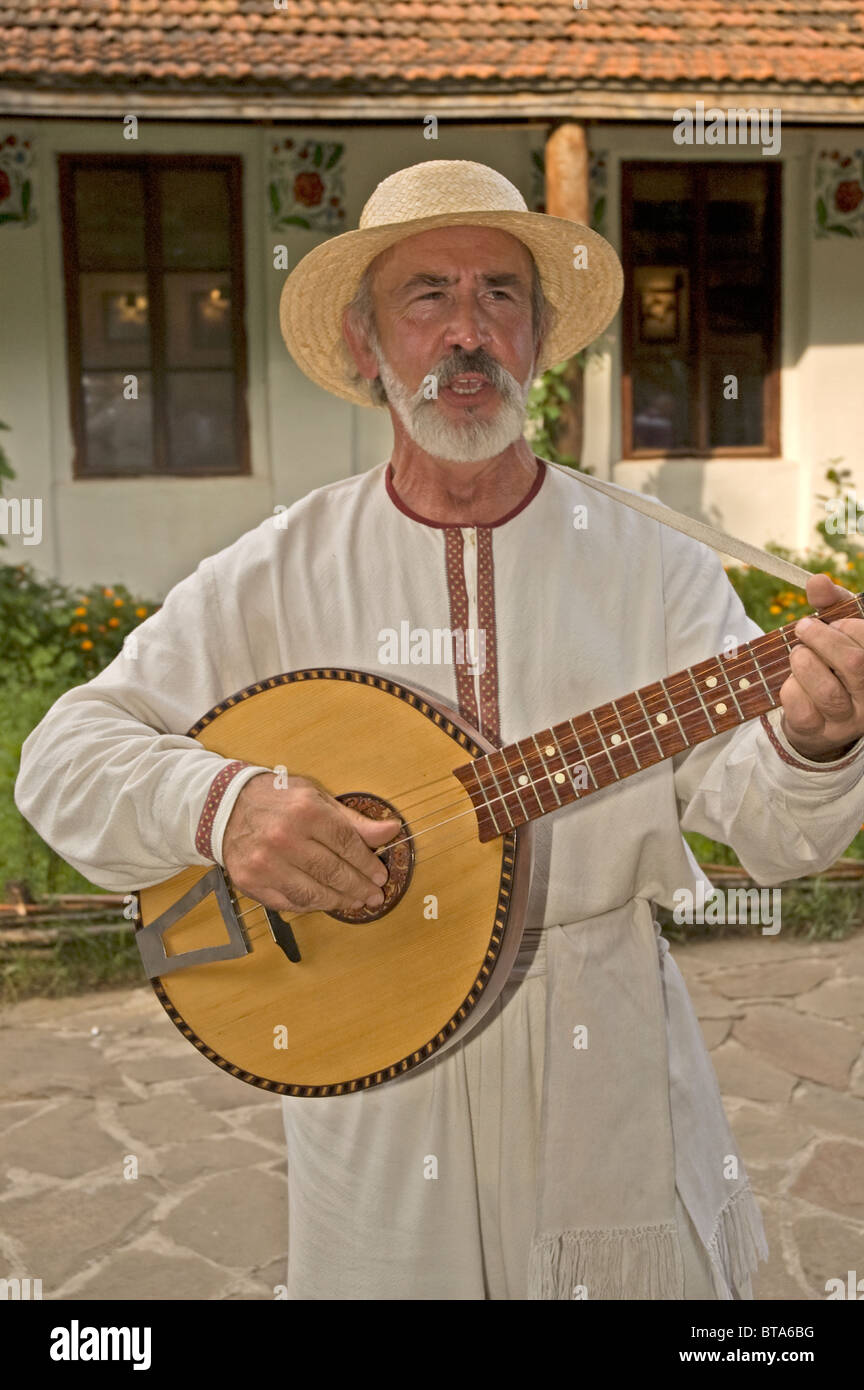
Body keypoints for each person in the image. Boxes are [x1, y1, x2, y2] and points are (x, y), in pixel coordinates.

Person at [16, 161, 864, 1301]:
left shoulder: (656, 569)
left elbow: (774, 835)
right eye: (426, 297)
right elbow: (63, 755)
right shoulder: (274, 570)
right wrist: (220, 807)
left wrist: (816, 740)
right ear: (368, 348)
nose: (467, 333)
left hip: (599, 1060)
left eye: (500, 296)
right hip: (373, 1073)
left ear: (540, 339)